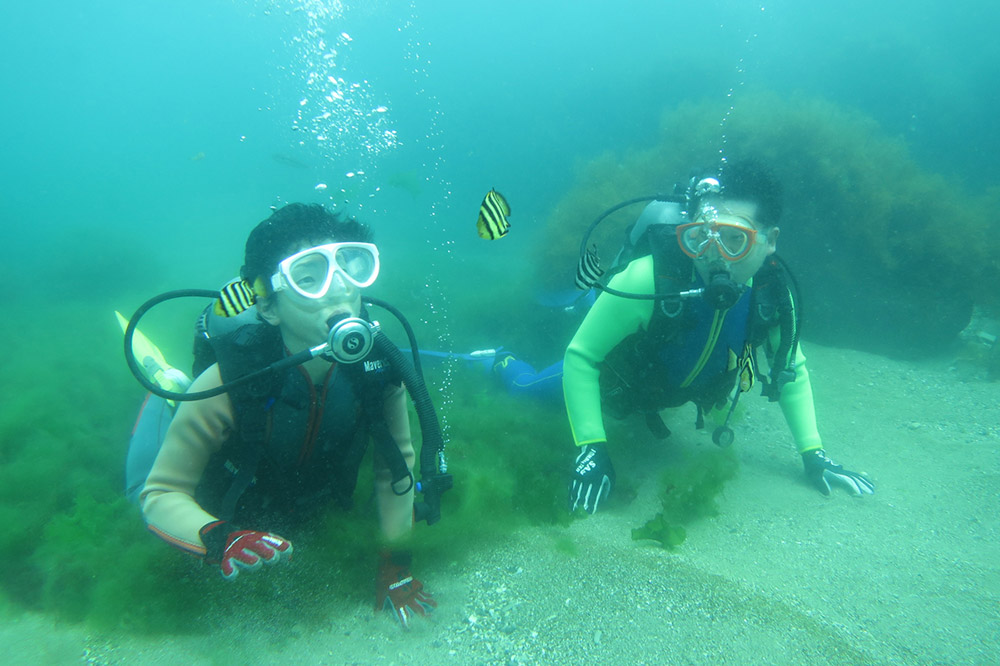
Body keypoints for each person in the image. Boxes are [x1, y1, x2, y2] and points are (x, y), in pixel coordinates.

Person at [138, 203, 436, 627]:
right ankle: (164, 378)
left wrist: (396, 563)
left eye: (347, 269)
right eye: (308, 277)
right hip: (226, 501)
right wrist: (221, 538)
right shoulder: (225, 382)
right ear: (269, 307)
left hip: (303, 500)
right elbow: (160, 494)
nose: (338, 291)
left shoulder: (380, 373)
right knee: (140, 478)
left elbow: (396, 467)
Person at [555, 160, 875, 513]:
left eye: (735, 239)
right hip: (613, 386)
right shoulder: (646, 279)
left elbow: (790, 369)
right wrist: (591, 447)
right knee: (528, 389)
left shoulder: (772, 296)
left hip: (664, 390)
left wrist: (814, 454)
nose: (714, 257)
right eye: (701, 237)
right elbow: (582, 357)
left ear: (771, 241)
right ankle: (500, 360)